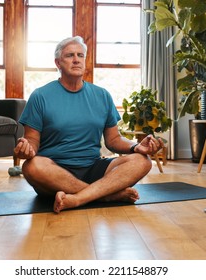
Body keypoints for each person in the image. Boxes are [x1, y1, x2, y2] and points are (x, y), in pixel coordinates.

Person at [14, 36, 164, 213]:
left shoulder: (102, 95)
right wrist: (26, 148)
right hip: (54, 171)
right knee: (31, 166)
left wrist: (137, 147)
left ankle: (78, 198)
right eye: (70, 55)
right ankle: (105, 195)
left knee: (142, 161)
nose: (76, 59)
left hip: (93, 167)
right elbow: (32, 141)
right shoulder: (40, 96)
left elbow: (114, 139)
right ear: (58, 63)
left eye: (80, 55)